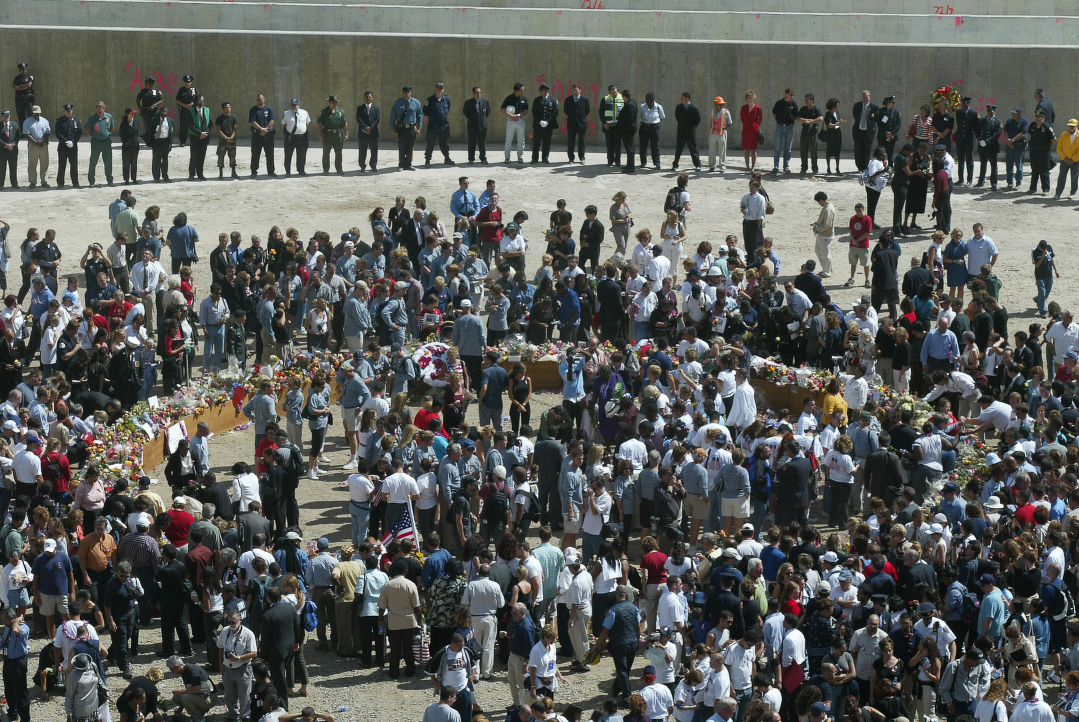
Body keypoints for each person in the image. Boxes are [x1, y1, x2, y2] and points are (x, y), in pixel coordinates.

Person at [219, 608, 257, 722]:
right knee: (229, 696)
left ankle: (245, 717)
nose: (231, 625)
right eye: (229, 622)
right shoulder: (224, 631)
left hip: (243, 669)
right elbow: (220, 648)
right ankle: (232, 716)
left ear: (240, 620)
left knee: (245, 696)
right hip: (227, 669)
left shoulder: (248, 634)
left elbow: (254, 653)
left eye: (234, 622)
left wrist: (238, 658)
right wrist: (221, 665)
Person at [166, 654, 214, 722]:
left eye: (172, 671)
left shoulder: (192, 671)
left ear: (177, 667)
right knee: (176, 698)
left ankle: (198, 718)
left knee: (185, 697)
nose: (173, 673)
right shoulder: (184, 671)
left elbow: (197, 689)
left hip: (210, 697)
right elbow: (191, 689)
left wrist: (181, 691)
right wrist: (180, 708)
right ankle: (200, 710)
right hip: (201, 695)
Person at [316, 95, 347, 174]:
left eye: (335, 102)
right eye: (332, 102)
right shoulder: (324, 112)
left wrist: (346, 133)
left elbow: (344, 123)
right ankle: (326, 170)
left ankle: (339, 169)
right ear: (329, 102)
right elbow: (319, 124)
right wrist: (319, 135)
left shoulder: (341, 112)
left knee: (338, 153)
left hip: (338, 135)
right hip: (328, 134)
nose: (334, 104)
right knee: (326, 153)